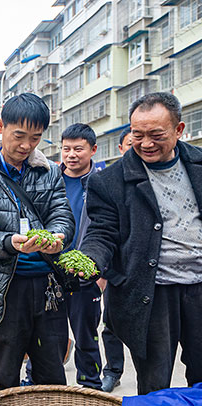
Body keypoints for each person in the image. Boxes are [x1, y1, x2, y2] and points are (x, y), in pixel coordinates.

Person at [79, 92, 202, 395]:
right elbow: (102, 233)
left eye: (156, 135)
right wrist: (89, 260)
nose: (146, 143)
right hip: (150, 292)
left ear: (179, 130)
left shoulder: (199, 165)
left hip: (199, 286)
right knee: (153, 382)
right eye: (138, 135)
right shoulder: (109, 181)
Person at [0, 93, 75, 392]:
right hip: (4, 288)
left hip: (48, 286)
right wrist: (11, 242)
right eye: (19, 135)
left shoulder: (49, 172)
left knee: (51, 371)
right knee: (4, 372)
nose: (26, 145)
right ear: (0, 126)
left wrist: (58, 237)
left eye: (35, 138)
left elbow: (63, 215)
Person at [60, 123, 104, 390]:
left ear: (93, 150)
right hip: (50, 271)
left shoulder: (102, 183)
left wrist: (103, 275)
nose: (71, 154)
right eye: (66, 149)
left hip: (87, 274)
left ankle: (90, 387)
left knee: (86, 336)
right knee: (45, 334)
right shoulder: (50, 178)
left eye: (78, 148)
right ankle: (40, 383)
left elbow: (114, 230)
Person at [100, 127, 132, 393]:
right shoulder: (110, 182)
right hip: (118, 269)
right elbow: (101, 230)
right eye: (132, 143)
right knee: (111, 325)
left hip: (160, 274)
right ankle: (112, 370)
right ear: (121, 148)